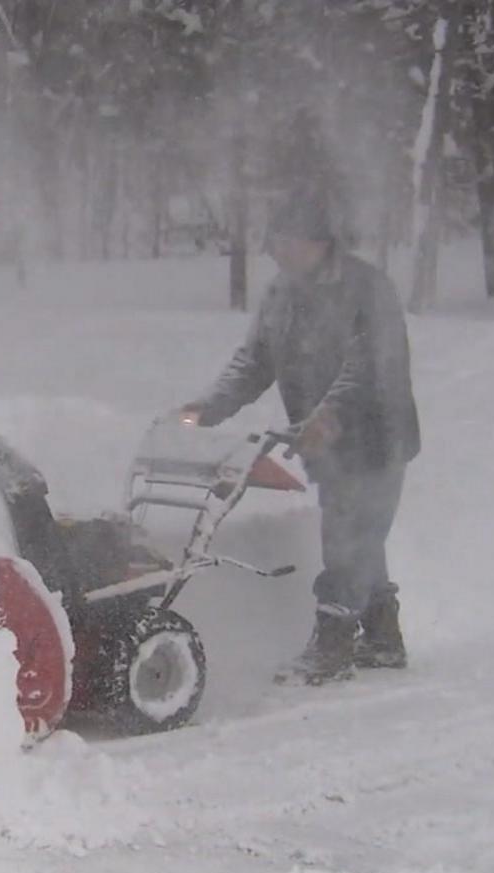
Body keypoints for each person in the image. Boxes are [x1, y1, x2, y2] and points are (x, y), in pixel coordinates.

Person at [176, 189, 421, 685]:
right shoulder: (281, 296)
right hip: (323, 442)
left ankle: (332, 646)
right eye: (276, 243)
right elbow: (254, 361)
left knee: (348, 534)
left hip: (375, 437)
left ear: (320, 242)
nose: (280, 253)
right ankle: (383, 639)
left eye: (289, 243)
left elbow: (368, 367)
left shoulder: (366, 289)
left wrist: (327, 416)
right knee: (359, 533)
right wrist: (207, 407)